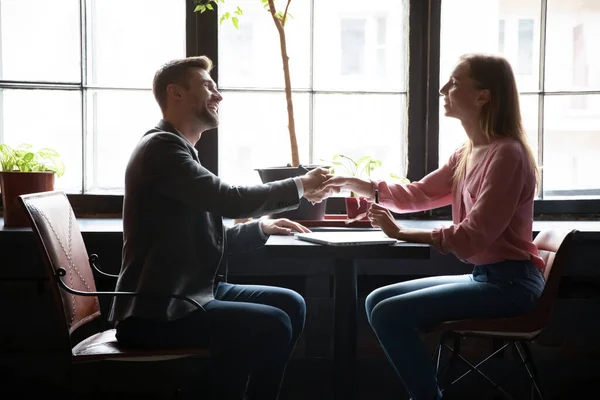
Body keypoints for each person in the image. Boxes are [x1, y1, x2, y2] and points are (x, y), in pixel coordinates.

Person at [319, 53, 545, 399]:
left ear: (483, 96)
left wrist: (401, 233)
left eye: (454, 83)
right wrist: (356, 183)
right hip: (487, 278)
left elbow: (472, 236)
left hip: (511, 286)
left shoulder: (508, 155)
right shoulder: (468, 152)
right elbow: (419, 194)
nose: (443, 89)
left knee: (388, 314)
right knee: (377, 301)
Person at [108, 55, 330, 400]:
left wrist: (261, 228)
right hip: (158, 311)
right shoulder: (162, 149)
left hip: (189, 294)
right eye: (208, 86)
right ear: (175, 93)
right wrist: (300, 184)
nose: (219, 95)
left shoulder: (177, 148)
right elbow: (230, 199)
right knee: (273, 323)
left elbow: (197, 236)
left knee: (291, 304)